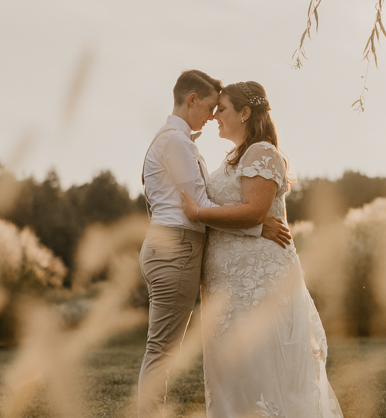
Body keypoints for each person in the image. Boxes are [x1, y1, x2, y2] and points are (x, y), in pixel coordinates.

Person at [181, 81, 343, 418]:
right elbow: (251, 214)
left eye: (221, 109)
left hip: (255, 281)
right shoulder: (235, 158)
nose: (215, 117)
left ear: (245, 112)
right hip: (227, 283)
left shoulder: (262, 152)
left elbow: (254, 210)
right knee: (231, 373)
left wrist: (198, 214)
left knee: (260, 370)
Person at [138, 70, 292, 418]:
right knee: (163, 349)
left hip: (176, 247)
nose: (211, 115)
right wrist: (257, 225)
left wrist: (253, 220)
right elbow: (197, 208)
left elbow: (197, 204)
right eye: (210, 106)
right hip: (176, 248)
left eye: (218, 109)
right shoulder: (175, 142)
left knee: (163, 348)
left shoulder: (176, 140)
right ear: (191, 99)